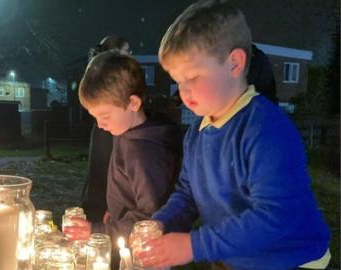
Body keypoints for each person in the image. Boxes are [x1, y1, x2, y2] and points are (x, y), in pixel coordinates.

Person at [135, 1, 331, 269]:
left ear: (234, 63)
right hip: (232, 258)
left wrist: (195, 245)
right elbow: (188, 193)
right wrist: (161, 223)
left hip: (288, 261)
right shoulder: (197, 134)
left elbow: (276, 216)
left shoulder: (267, 130)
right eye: (178, 80)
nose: (184, 91)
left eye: (193, 76)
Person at [65, 51, 181, 266]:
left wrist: (98, 231)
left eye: (105, 116)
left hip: (145, 255)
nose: (100, 124)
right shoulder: (126, 131)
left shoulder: (143, 151)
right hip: (125, 233)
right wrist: (117, 210)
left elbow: (151, 218)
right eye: (95, 117)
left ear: (133, 103)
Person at [80, 35, 132, 224]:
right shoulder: (110, 76)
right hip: (109, 130)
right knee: (104, 170)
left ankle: (101, 211)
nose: (130, 56)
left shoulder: (98, 71)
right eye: (127, 51)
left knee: (105, 171)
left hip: (106, 129)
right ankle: (100, 213)